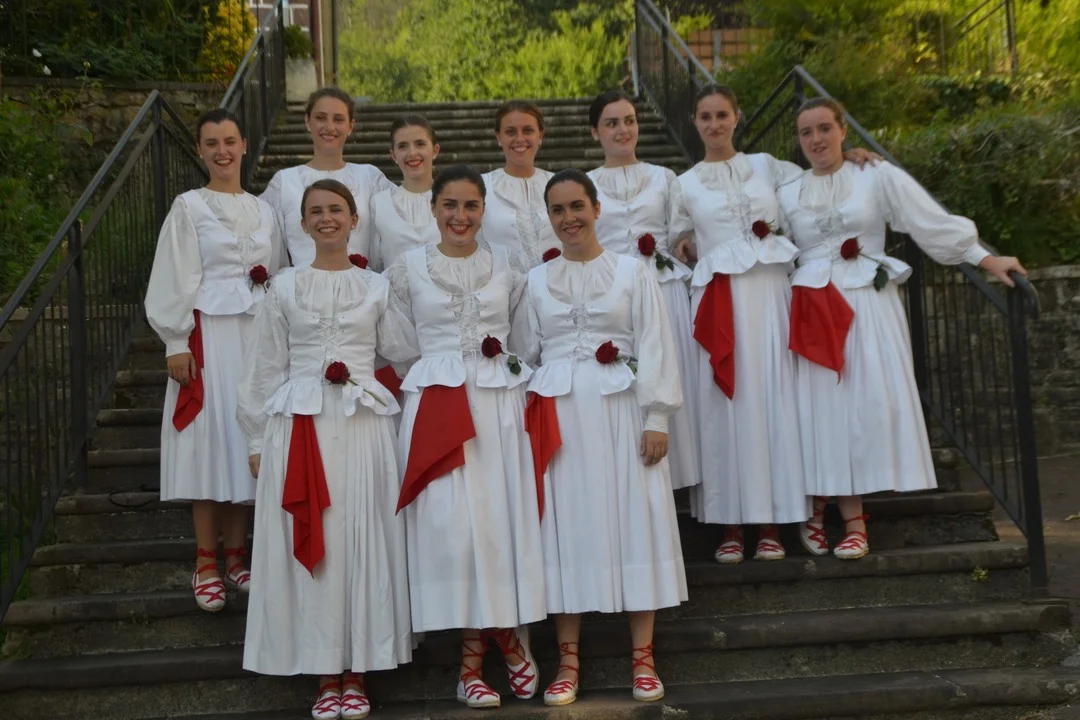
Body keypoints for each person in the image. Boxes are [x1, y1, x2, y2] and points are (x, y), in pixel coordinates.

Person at [778, 97, 1026, 560]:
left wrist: (984, 258)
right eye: (806, 131)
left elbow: (925, 219)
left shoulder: (875, 175)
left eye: (825, 128)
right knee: (820, 411)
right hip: (812, 307)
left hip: (868, 303)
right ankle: (819, 504)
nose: (816, 139)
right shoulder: (788, 189)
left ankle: (854, 519)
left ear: (843, 130)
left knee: (865, 406)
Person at [670, 84, 877, 564]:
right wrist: (684, 244)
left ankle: (772, 524)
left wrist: (850, 156)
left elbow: (818, 179)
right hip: (720, 299)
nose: (714, 124)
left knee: (773, 405)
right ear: (695, 123)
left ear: (737, 117)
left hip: (771, 297)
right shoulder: (685, 183)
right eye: (705, 116)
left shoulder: (768, 167)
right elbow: (675, 237)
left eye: (722, 114)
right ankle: (730, 525)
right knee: (724, 410)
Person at [238, 179, 417, 720]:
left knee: (360, 539)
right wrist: (255, 438)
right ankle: (323, 672)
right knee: (318, 539)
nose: (326, 218)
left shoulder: (377, 286)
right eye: (315, 211)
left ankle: (357, 669)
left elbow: (406, 352)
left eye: (336, 209)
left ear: (354, 218)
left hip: (363, 428)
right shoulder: (283, 287)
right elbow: (264, 365)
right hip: (300, 426)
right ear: (303, 223)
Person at [515, 169, 687, 706]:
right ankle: (568, 660)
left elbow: (656, 344)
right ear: (548, 218)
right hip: (561, 421)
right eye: (558, 210)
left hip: (622, 414)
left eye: (577, 206)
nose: (569, 218)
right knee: (567, 529)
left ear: (596, 208)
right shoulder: (535, 281)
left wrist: (657, 417)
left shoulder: (633, 272)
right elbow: (524, 353)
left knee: (636, 522)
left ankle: (643, 657)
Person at [386, 164, 545, 709]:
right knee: (453, 531)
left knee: (498, 525)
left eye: (471, 205)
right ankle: (500, 642)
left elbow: (524, 337)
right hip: (438, 403)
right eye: (450, 205)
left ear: (483, 210)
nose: (460, 216)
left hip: (499, 406)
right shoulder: (406, 269)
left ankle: (476, 663)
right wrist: (441, 366)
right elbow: (398, 343)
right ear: (433, 208)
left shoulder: (508, 265)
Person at [145, 107, 283, 613]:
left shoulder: (265, 210)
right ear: (201, 151)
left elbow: (278, 272)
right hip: (209, 335)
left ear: (244, 144)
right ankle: (206, 562)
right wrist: (175, 341)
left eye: (229, 141)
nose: (222, 151)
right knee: (209, 443)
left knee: (245, 439)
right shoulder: (189, 207)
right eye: (211, 143)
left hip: (255, 335)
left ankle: (237, 557)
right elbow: (174, 272)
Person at [586, 89, 700, 492]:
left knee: (668, 370)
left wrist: (687, 244)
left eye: (629, 121)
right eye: (612, 123)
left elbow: (681, 231)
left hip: (663, 288)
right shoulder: (586, 183)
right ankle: (631, 479)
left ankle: (678, 480)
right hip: (610, 294)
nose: (623, 130)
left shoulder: (664, 178)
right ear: (595, 132)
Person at [261, 87, 393, 268]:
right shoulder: (284, 182)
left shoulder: (370, 178)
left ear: (350, 126)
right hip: (303, 283)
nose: (329, 127)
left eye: (338, 119)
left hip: (360, 282)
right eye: (321, 118)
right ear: (307, 121)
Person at [479, 101, 560, 272]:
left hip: (558, 284)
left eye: (528, 130)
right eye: (510, 132)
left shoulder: (561, 185)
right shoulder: (480, 186)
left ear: (540, 135)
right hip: (500, 285)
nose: (520, 139)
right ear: (498, 137)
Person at [369, 115, 441, 271]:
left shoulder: (454, 201)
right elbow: (375, 265)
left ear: (435, 150)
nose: (412, 153)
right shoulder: (380, 204)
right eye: (403, 146)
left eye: (420, 144)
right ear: (393, 155)